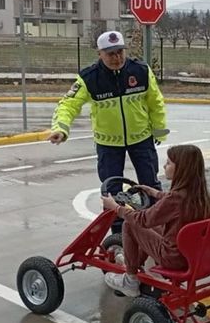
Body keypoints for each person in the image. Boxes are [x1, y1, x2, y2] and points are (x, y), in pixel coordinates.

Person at [49, 30, 169, 234]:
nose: (116, 58)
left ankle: (157, 229)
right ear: (100, 54)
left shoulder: (140, 71)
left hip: (142, 139)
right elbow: (68, 104)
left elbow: (155, 103)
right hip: (108, 144)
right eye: (110, 53)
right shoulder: (89, 78)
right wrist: (61, 128)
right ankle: (118, 236)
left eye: (120, 52)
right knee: (112, 191)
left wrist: (159, 132)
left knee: (151, 185)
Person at [101, 145, 210, 297]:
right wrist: (154, 192)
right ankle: (133, 263)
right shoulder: (199, 195)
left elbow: (143, 219)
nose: (164, 166)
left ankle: (130, 280)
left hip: (172, 257)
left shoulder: (175, 199)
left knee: (130, 224)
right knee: (154, 226)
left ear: (181, 169)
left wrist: (115, 208)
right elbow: (173, 203)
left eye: (169, 163)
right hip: (193, 254)